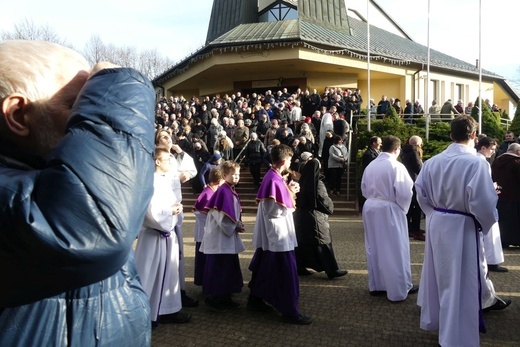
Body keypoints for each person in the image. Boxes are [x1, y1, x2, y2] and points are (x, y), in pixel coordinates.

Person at [0, 40, 153, 345]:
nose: (89, 117)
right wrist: (118, 88)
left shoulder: (64, 179)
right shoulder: (24, 200)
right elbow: (90, 228)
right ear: (19, 115)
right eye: (77, 105)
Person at [416, 115, 511, 347]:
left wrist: (435, 213)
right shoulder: (477, 163)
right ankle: (456, 337)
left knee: (440, 275)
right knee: (461, 281)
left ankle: (439, 322)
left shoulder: (432, 162)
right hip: (463, 226)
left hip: (438, 222)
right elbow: (482, 203)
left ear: (451, 135)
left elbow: (420, 193)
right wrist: (485, 221)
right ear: (473, 136)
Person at [248, 144, 313, 325]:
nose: (291, 162)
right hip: (278, 234)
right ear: (284, 161)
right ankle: (289, 311)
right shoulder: (274, 181)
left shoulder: (273, 177)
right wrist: (290, 192)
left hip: (273, 234)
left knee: (265, 267)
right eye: (290, 160)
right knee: (285, 273)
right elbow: (274, 211)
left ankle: (256, 299)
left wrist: (287, 189)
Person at [135, 148, 192, 327]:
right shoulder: (149, 181)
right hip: (154, 237)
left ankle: (168, 309)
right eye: (167, 159)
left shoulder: (164, 180)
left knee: (169, 276)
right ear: (157, 162)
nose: (170, 162)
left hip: (167, 236)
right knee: (149, 275)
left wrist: (175, 208)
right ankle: (146, 314)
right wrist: (170, 211)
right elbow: (150, 211)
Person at [361, 135, 418, 302]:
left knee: (374, 246)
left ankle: (377, 285)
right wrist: (401, 208)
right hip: (389, 207)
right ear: (396, 149)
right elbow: (405, 191)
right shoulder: (396, 166)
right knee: (395, 248)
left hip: (371, 206)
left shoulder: (371, 165)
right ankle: (399, 289)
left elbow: (364, 188)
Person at [200, 161, 246, 312]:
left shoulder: (229, 190)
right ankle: (214, 298)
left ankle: (225, 296)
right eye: (234, 174)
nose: (237, 177)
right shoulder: (223, 191)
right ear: (225, 175)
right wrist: (236, 225)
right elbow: (223, 218)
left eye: (238, 174)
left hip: (226, 237)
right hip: (220, 237)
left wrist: (237, 224)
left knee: (227, 268)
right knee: (219, 268)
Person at [293, 158, 348, 279]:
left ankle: (299, 267)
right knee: (323, 244)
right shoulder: (317, 183)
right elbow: (324, 201)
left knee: (302, 243)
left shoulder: (300, 182)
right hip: (316, 217)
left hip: (300, 217)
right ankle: (332, 270)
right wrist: (330, 207)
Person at [476, 137, 507, 272]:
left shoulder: (480, 161)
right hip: (483, 202)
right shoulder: (482, 162)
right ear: (483, 148)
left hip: (481, 200)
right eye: (492, 149)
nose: (493, 152)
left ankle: (490, 260)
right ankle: (491, 261)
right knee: (490, 233)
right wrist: (492, 189)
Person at [192, 167, 223, 286]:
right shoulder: (208, 194)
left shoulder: (211, 191)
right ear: (220, 181)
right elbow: (201, 213)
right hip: (205, 233)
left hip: (206, 232)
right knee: (204, 260)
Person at [491, 142, 520, 248]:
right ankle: (515, 240)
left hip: (499, 195)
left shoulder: (496, 161)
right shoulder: (516, 162)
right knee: (514, 220)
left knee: (502, 220)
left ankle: (503, 240)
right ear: (517, 151)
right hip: (515, 197)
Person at [400, 135, 426, 241]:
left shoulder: (403, 151)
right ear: (417, 144)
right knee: (417, 207)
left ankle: (408, 228)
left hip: (407, 181)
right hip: (415, 181)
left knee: (409, 207)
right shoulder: (414, 152)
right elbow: (418, 168)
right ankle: (416, 230)